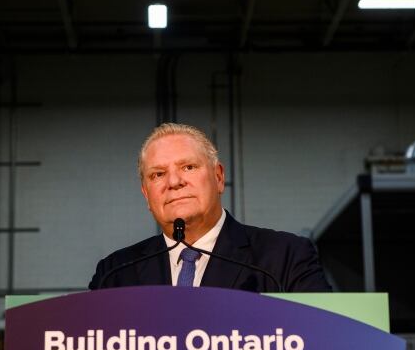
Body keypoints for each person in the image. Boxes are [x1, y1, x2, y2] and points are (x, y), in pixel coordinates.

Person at [88, 123, 331, 292]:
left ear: (218, 177)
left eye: (188, 167)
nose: (174, 182)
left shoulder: (285, 257)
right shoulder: (115, 274)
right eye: (158, 174)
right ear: (146, 194)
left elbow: (322, 341)